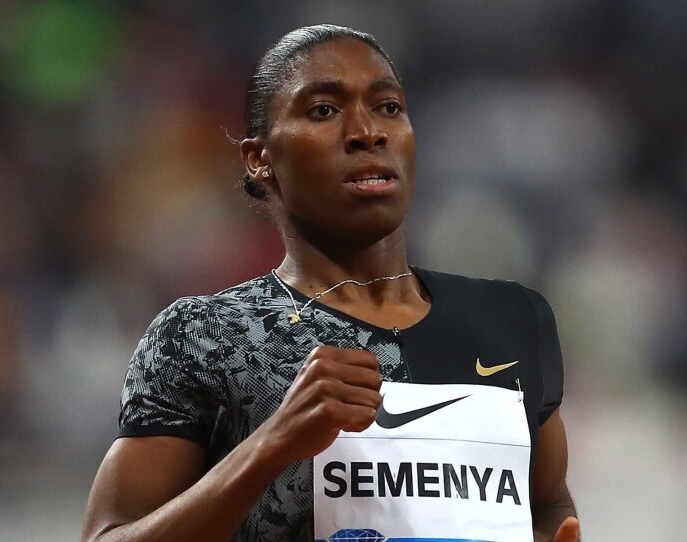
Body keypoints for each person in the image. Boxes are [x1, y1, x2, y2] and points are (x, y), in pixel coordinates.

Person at [82, 24, 579, 542]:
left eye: (389, 107)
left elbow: (548, 504)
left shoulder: (511, 320)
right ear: (260, 159)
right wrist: (271, 443)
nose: (369, 131)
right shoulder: (207, 335)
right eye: (324, 110)